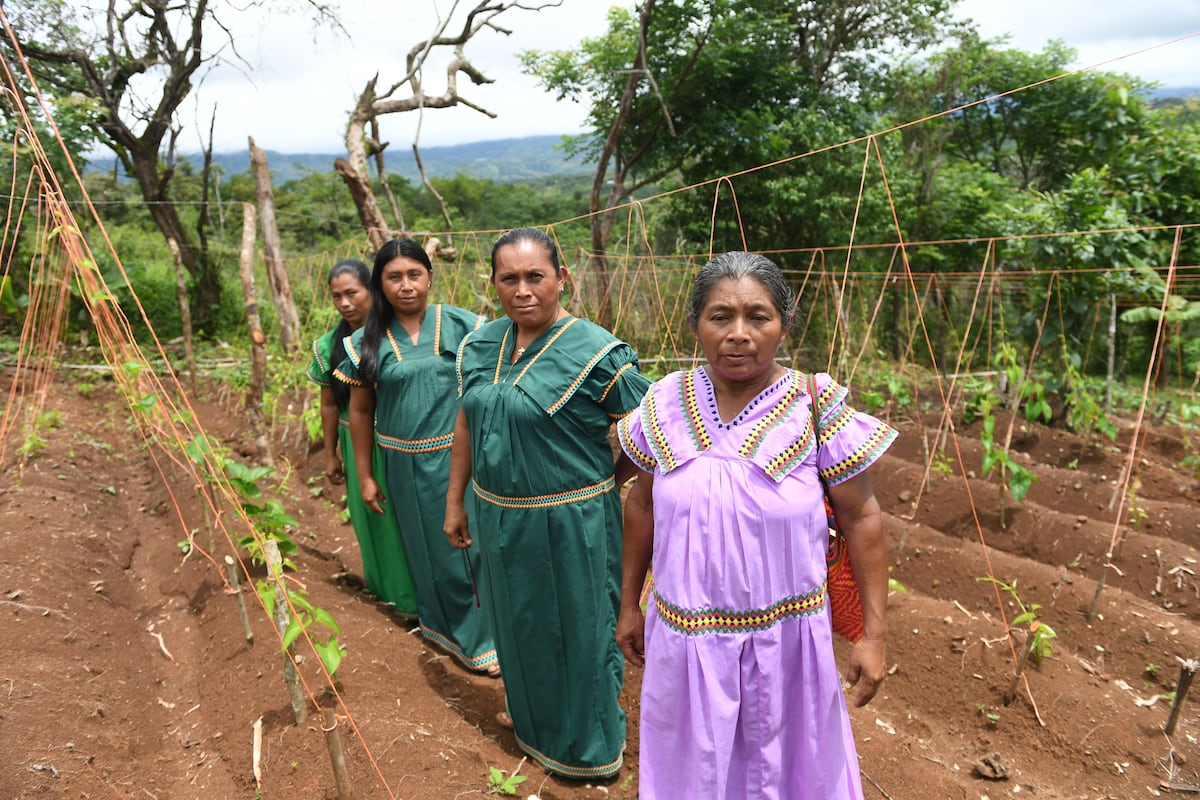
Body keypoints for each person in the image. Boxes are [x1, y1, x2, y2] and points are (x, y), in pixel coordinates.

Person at [616, 250, 898, 799]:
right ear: (695, 325)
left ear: (784, 326)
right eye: (720, 317)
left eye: (758, 317)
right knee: (692, 778)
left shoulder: (815, 406)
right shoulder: (666, 403)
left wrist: (874, 635)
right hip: (687, 646)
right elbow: (643, 504)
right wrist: (630, 603)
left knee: (792, 777)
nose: (738, 334)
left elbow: (863, 517)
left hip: (787, 649)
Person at [444, 226, 652, 780]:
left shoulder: (598, 352)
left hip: (573, 522)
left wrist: (609, 476)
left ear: (564, 279)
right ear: (494, 285)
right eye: (508, 279)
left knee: (580, 630)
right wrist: (455, 501)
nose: (523, 290)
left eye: (536, 276)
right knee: (519, 621)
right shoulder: (480, 344)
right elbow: (467, 421)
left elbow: (655, 428)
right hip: (495, 514)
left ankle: (589, 751)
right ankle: (532, 718)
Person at [334, 238, 497, 674]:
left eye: (414, 275)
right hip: (404, 465)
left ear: (429, 277)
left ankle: (485, 641)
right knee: (428, 551)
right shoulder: (366, 342)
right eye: (394, 277)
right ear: (379, 284)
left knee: (472, 548)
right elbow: (361, 410)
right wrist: (366, 475)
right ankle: (442, 628)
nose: (406, 286)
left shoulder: (465, 326)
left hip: (462, 459)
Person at [306, 258, 418, 618]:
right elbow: (328, 405)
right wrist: (330, 455)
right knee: (374, 520)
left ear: (371, 289)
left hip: (400, 439)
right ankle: (393, 598)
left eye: (352, 293)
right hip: (357, 446)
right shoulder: (328, 346)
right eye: (337, 296)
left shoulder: (396, 336)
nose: (344, 303)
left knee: (409, 517)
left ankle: (423, 598)